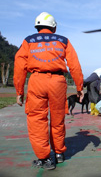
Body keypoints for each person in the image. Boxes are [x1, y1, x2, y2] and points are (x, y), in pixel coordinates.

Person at [13, 12, 84, 170]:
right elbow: (74, 64)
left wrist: (19, 91)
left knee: (37, 120)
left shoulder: (28, 41)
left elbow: (19, 67)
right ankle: (59, 153)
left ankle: (44, 158)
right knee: (58, 119)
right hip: (58, 82)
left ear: (37, 26)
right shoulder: (63, 40)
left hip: (37, 80)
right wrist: (79, 87)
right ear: (54, 27)